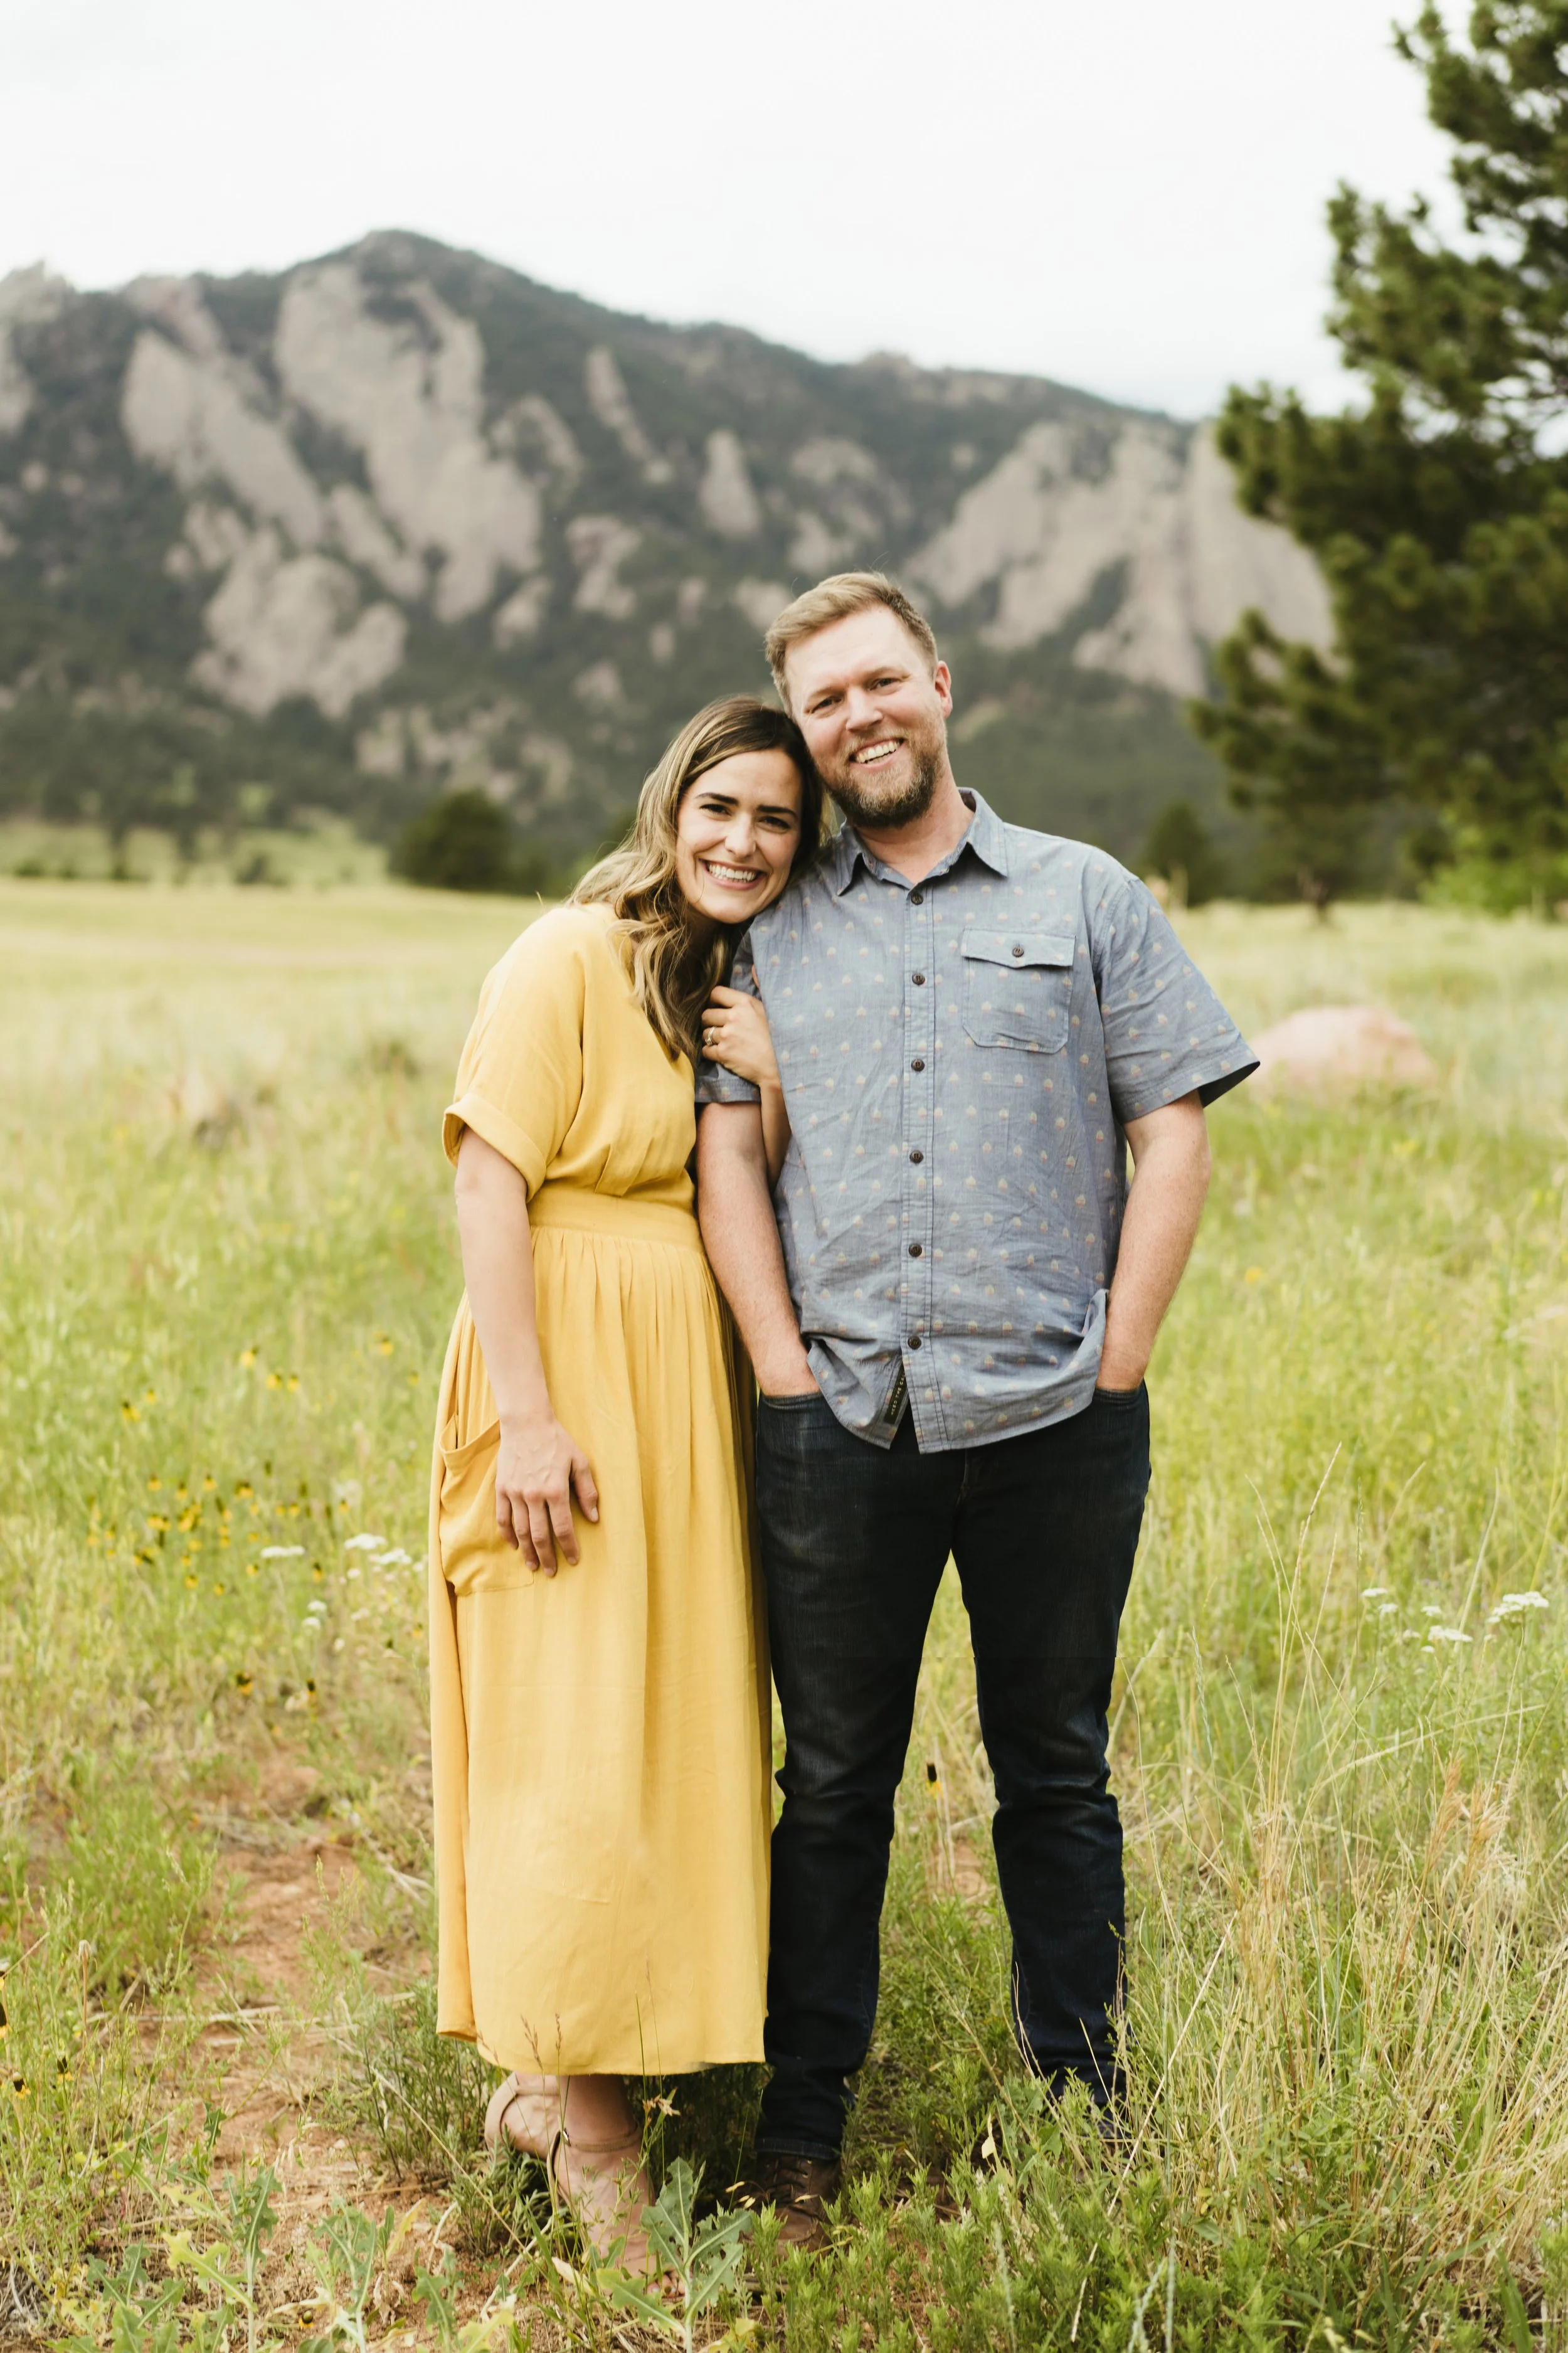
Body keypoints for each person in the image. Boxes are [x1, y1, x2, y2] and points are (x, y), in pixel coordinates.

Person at [696, 573, 1258, 2249]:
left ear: (938, 681)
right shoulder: (769, 919)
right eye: (822, 699)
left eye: (880, 680)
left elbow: (1173, 1125)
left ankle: (1080, 2106)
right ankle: (800, 2132)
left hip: (1055, 1422)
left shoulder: (1086, 896)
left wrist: (1121, 1357)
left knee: (1055, 1775)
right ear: (801, 726)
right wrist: (783, 1370)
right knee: (834, 1787)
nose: (857, 715)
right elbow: (728, 1155)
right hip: (840, 1421)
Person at [426, 696, 825, 2264]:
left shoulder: (729, 987)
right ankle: (586, 2127)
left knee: (660, 1734)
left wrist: (778, 1079)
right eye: (718, 807)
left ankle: (558, 2080)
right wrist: (525, 1418)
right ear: (671, 808)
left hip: (683, 1396)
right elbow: (486, 1176)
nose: (741, 840)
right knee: (569, 1742)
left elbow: (764, 1193)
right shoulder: (567, 954)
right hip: (567, 1384)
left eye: (775, 821)